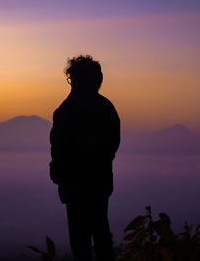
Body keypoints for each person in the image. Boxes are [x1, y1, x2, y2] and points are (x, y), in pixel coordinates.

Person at [49, 55, 120, 261]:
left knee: (80, 243)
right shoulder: (107, 108)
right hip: (100, 183)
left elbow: (58, 148)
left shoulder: (67, 109)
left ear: (76, 79)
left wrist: (60, 176)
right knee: (102, 236)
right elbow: (112, 145)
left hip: (75, 186)